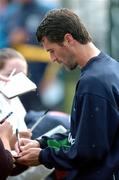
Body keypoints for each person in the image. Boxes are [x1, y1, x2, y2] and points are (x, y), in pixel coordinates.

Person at [14, 8, 119, 180]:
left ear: (68, 39)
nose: (52, 59)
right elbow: (81, 135)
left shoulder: (94, 82)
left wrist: (42, 157)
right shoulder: (109, 68)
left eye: (52, 50)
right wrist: (42, 143)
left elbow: (88, 151)